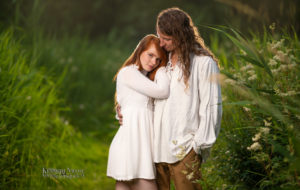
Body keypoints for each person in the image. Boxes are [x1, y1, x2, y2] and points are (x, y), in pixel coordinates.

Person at [117, 7, 222, 190]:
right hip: (155, 149)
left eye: (166, 39)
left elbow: (211, 107)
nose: (162, 44)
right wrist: (122, 109)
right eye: (160, 37)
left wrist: (197, 146)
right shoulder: (161, 60)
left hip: (185, 148)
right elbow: (139, 91)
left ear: (182, 35)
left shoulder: (203, 63)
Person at [107, 34, 169, 190]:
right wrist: (162, 69)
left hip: (140, 147)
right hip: (131, 146)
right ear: (140, 49)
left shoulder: (145, 78)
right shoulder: (128, 72)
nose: (153, 62)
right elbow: (163, 91)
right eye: (150, 55)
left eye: (158, 60)